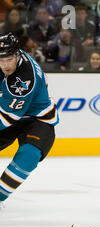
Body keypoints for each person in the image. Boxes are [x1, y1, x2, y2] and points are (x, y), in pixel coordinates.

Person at [0, 33, 58, 208]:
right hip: (9, 113)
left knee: (29, 155)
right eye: (1, 60)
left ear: (18, 54)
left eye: (9, 59)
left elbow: (7, 117)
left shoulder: (25, 77)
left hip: (38, 119)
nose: (5, 65)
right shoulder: (5, 62)